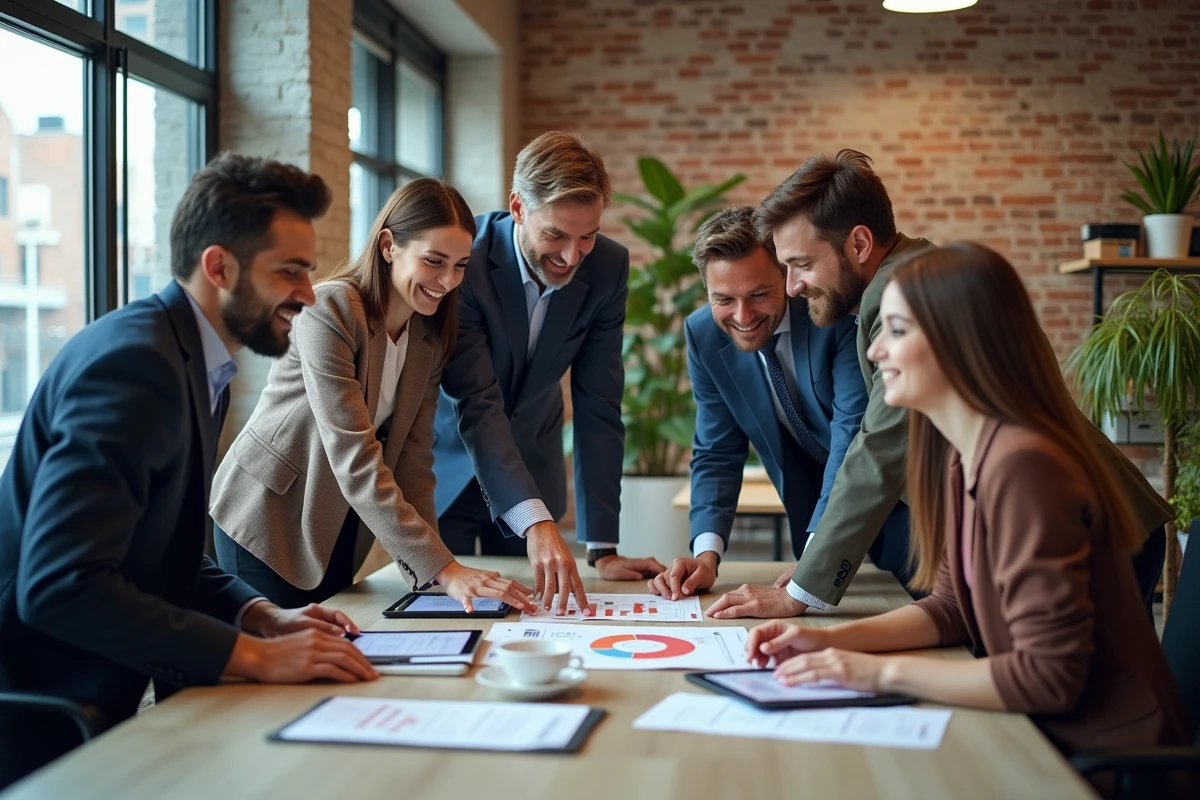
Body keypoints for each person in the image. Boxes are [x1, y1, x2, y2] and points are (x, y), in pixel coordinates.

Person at [0, 154, 378, 789]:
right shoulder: (133, 367)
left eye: (309, 272)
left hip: (101, 695)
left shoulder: (200, 364)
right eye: (290, 271)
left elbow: (160, 546)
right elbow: (61, 585)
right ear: (219, 266)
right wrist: (255, 657)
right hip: (41, 709)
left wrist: (261, 615)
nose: (309, 295)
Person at [745, 242, 1187, 765]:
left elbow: (1048, 678)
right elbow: (951, 607)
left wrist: (872, 671)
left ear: (963, 343)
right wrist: (828, 643)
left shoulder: (1025, 467)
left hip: (1101, 760)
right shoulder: (962, 456)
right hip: (1038, 739)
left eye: (898, 331)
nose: (874, 350)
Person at [710, 149, 1174, 619]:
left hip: (1082, 528)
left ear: (859, 244)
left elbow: (880, 447)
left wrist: (802, 591)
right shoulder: (913, 276)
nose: (792, 287)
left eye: (802, 264)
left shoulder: (909, 295)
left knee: (1084, 691)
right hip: (1057, 524)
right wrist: (814, 569)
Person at [211, 179, 533, 613]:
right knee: (274, 670)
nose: (448, 280)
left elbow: (414, 461)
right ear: (388, 246)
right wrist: (444, 569)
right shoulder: (330, 310)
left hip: (339, 522)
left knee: (329, 655)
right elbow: (354, 456)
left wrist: (439, 571)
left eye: (460, 265)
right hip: (269, 518)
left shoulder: (428, 337)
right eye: (434, 261)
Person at [434, 131, 665, 615]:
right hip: (447, 474)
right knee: (452, 622)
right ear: (518, 208)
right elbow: (478, 400)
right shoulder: (467, 260)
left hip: (533, 467)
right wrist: (536, 522)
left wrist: (601, 546)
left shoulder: (608, 268)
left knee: (529, 621)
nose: (571, 256)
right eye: (556, 235)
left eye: (588, 235)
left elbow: (599, 403)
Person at [646, 206, 907, 602]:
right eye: (723, 299)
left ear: (786, 276)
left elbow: (852, 435)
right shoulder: (703, 334)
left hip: (902, 503)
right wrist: (707, 555)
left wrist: (818, 560)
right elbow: (716, 450)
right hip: (818, 522)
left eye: (758, 294)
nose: (743, 315)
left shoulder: (831, 313)